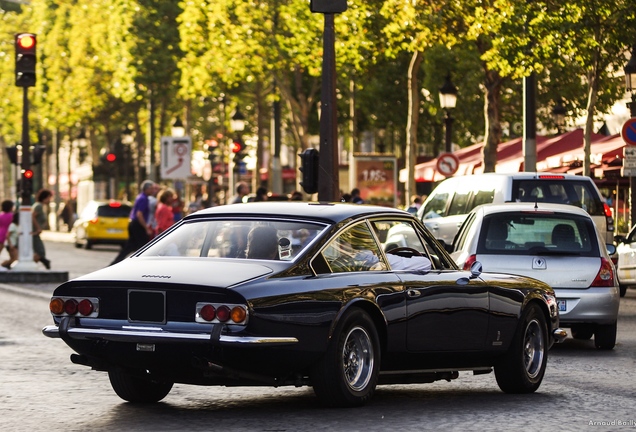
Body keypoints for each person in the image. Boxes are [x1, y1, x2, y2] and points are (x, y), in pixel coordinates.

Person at [110, 180, 156, 265]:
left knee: (130, 246)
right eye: (151, 189)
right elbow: (139, 214)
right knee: (144, 247)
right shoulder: (144, 199)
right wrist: (146, 228)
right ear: (146, 189)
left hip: (133, 223)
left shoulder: (140, 197)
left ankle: (115, 263)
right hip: (137, 224)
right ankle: (140, 264)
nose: (153, 191)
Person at [32, 189, 53, 269]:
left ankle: (36, 265)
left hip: (35, 232)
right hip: (34, 232)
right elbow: (32, 216)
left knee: (38, 251)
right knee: (40, 251)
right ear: (46, 197)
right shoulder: (38, 206)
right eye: (49, 198)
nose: (49, 200)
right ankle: (44, 262)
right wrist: (38, 228)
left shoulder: (39, 205)